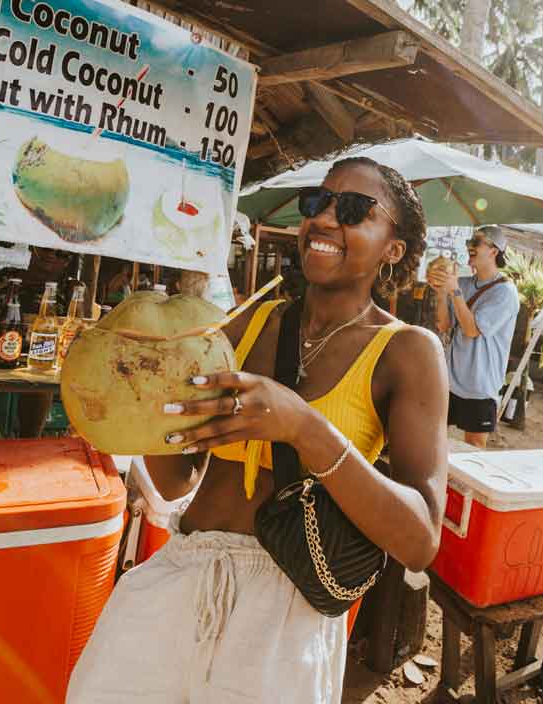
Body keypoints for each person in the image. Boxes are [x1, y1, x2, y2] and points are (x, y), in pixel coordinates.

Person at [66, 157, 449, 704]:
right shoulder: (246, 323)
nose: (324, 219)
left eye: (354, 209)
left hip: (285, 617)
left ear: (394, 247)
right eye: (317, 203)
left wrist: (302, 427)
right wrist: (137, 397)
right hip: (183, 577)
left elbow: (421, 539)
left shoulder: (407, 352)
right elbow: (176, 482)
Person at [428, 225, 520, 448]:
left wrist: (454, 290)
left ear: (494, 251)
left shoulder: (505, 292)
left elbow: (472, 330)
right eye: (469, 242)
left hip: (481, 385)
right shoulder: (465, 284)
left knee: (474, 448)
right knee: (433, 440)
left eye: (476, 243)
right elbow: (444, 324)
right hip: (450, 379)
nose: (470, 246)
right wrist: (441, 293)